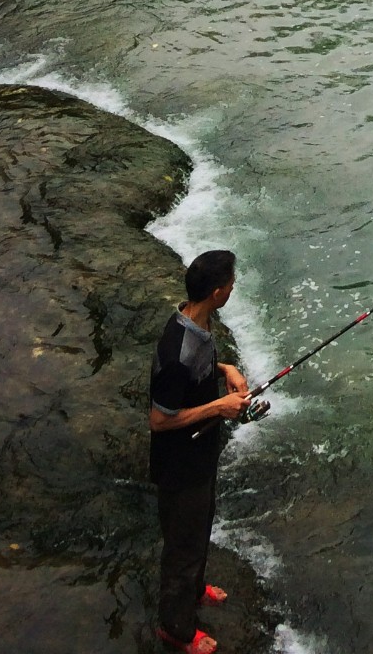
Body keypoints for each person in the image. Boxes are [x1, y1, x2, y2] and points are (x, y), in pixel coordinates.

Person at [149, 248, 251, 654]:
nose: (232, 287)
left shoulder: (197, 322)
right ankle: (176, 629)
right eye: (230, 283)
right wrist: (219, 407)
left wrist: (226, 369)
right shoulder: (178, 351)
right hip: (180, 467)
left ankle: (193, 593)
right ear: (217, 292)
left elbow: (203, 365)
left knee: (199, 528)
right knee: (182, 547)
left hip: (201, 457)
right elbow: (159, 419)